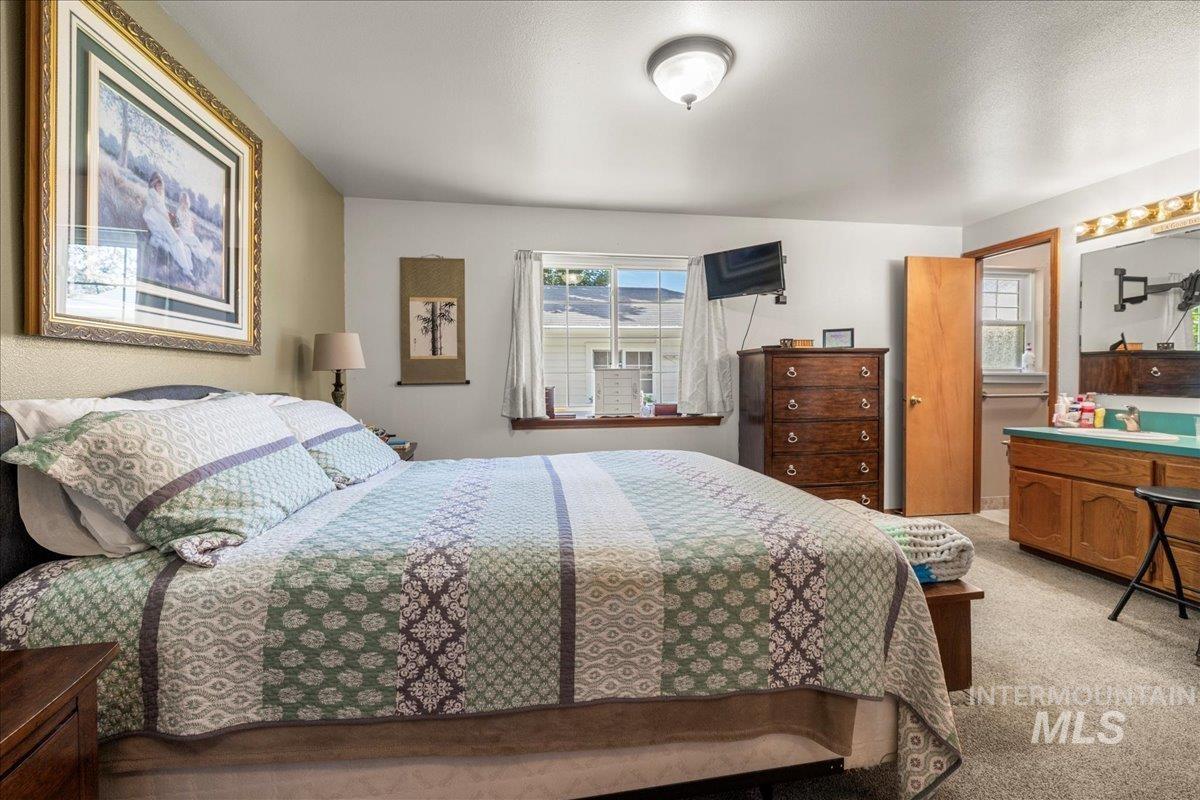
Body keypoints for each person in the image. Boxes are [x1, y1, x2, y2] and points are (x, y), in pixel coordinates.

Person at [142, 172, 193, 279]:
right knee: (174, 240)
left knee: (174, 242)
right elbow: (159, 209)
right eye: (158, 185)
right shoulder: (152, 192)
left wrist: (171, 216)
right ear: (154, 184)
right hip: (154, 218)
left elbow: (163, 209)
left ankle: (186, 267)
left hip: (160, 219)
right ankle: (186, 269)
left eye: (161, 185)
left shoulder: (160, 194)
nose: (160, 187)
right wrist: (170, 218)